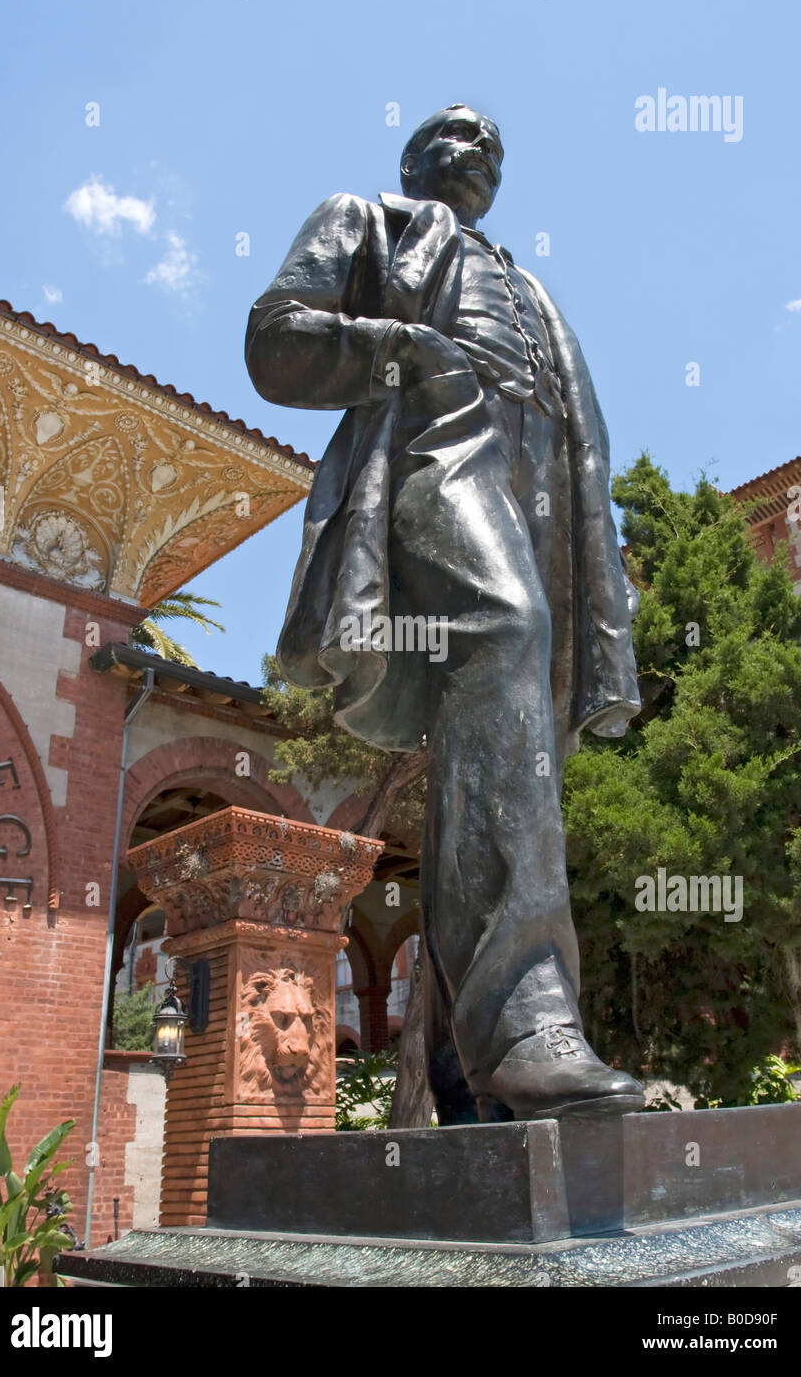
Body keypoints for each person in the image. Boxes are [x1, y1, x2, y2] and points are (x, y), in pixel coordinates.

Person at [246, 104, 644, 1122]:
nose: (478, 150)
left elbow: (587, 441)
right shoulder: (368, 221)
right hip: (439, 441)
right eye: (456, 133)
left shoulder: (536, 290)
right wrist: (411, 355)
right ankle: (524, 1020)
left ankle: (457, 1077)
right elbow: (278, 341)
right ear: (413, 157)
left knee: (524, 737)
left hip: (542, 475)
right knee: (503, 626)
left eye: (494, 145)